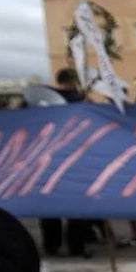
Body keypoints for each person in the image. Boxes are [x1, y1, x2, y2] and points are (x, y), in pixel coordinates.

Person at [40, 68, 100, 258]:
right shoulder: (79, 101)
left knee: (49, 206)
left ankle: (51, 245)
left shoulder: (44, 101)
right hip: (75, 160)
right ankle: (76, 246)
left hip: (49, 160)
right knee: (76, 207)